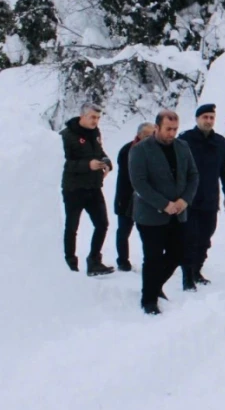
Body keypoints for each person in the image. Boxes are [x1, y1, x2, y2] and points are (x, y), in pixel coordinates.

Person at [129, 110, 199, 315]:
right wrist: (163, 203)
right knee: (153, 257)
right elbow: (139, 183)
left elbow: (193, 175)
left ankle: (153, 285)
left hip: (178, 212)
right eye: (168, 129)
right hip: (150, 215)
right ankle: (149, 299)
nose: (172, 133)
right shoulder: (140, 150)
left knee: (178, 253)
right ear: (157, 128)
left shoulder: (182, 146)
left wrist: (184, 200)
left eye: (175, 129)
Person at [180, 103, 225, 290]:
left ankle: (197, 270)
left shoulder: (220, 142)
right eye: (205, 117)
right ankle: (187, 277)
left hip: (210, 199)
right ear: (197, 119)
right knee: (189, 238)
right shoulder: (185, 140)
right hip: (189, 200)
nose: (208, 121)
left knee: (205, 238)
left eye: (211, 117)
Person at [60, 102, 116, 276]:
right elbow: (63, 163)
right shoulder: (66, 135)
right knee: (72, 227)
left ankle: (94, 260)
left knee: (102, 224)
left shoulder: (95, 133)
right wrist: (87, 165)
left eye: (98, 118)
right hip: (74, 188)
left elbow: (100, 152)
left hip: (93, 187)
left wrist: (107, 163)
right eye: (92, 117)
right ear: (82, 116)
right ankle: (70, 263)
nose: (95, 121)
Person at [114, 122, 155, 272]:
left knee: (149, 232)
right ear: (139, 135)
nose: (150, 138)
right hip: (126, 198)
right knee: (123, 231)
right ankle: (123, 261)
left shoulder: (156, 150)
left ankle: (151, 260)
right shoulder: (127, 150)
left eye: (152, 135)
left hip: (146, 200)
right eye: (147, 135)